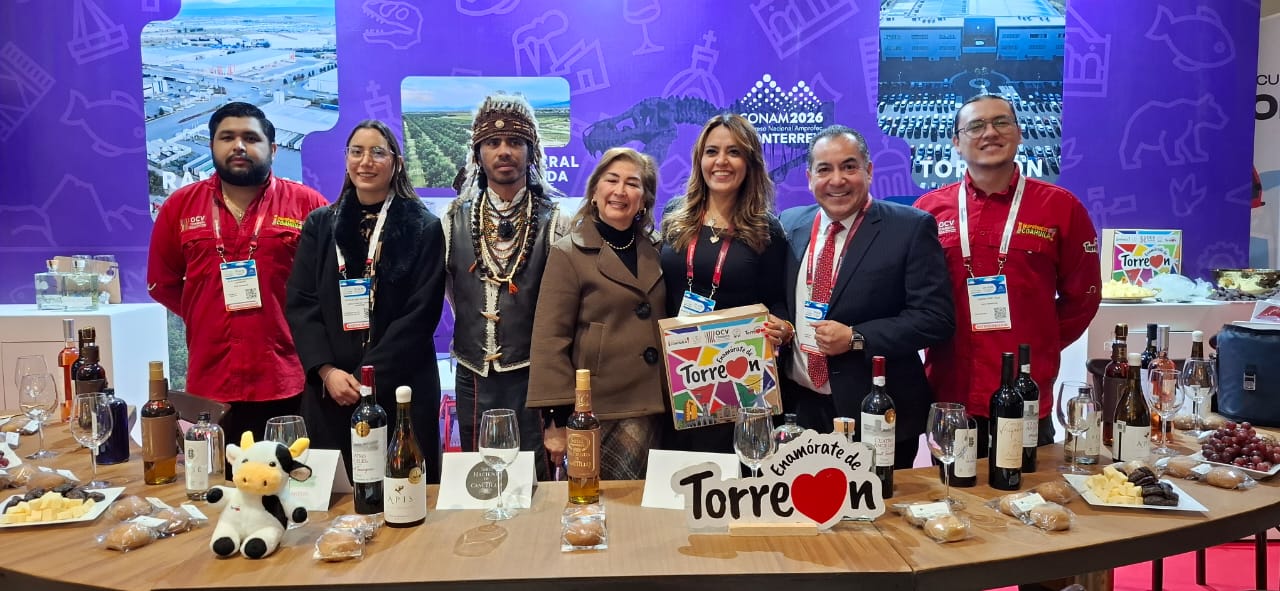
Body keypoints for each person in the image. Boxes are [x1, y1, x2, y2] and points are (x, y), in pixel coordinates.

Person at [914, 94, 1101, 454]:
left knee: (1026, 487)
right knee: (954, 486)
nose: (990, 133)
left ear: (1018, 133)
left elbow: (1083, 297)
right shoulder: (928, 211)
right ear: (956, 142)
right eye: (975, 126)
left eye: (1001, 122)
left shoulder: (1061, 207)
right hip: (952, 392)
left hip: (1025, 391)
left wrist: (1039, 342)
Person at [148, 102, 328, 443]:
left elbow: (328, 288)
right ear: (211, 145)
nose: (239, 146)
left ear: (273, 148)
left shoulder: (308, 205)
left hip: (288, 378)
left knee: (290, 472)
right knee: (217, 475)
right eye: (227, 137)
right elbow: (162, 283)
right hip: (211, 381)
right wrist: (206, 312)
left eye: (251, 138)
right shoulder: (179, 207)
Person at [779, 124, 954, 469]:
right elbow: (784, 300)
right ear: (810, 178)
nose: (837, 180)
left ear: (869, 171)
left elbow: (936, 319)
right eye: (824, 169)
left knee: (881, 504)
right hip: (803, 409)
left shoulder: (910, 227)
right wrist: (781, 325)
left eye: (849, 166)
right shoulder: (790, 223)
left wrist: (857, 337)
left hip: (875, 411)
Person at [285, 120, 446, 481]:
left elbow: (420, 315)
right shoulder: (320, 225)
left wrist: (366, 379)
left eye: (377, 152)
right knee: (335, 494)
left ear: (396, 163)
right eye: (357, 152)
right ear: (346, 160)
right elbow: (302, 303)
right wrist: (327, 372)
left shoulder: (424, 227)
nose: (366, 162)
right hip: (332, 389)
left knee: (403, 490)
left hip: (402, 386)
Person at [444, 92, 568, 479]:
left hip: (536, 377)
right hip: (473, 376)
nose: (504, 151)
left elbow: (566, 317)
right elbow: (451, 294)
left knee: (537, 482)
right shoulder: (452, 219)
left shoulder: (556, 221)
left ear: (531, 152)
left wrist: (559, 414)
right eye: (493, 142)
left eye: (515, 142)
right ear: (478, 153)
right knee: (480, 480)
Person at [527, 148, 667, 480]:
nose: (620, 191)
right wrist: (557, 421)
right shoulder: (567, 253)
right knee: (596, 504)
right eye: (612, 180)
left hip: (653, 407)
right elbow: (550, 340)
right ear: (594, 191)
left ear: (644, 199)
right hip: (594, 412)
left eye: (632, 183)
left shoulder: (659, 249)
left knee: (645, 506)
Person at [659, 113, 790, 454]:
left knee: (735, 475)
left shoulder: (766, 229)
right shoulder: (675, 216)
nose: (721, 161)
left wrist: (782, 326)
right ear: (699, 160)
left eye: (734, 152)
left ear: (750, 162)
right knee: (680, 473)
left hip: (738, 381)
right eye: (711, 151)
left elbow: (778, 300)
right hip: (680, 376)